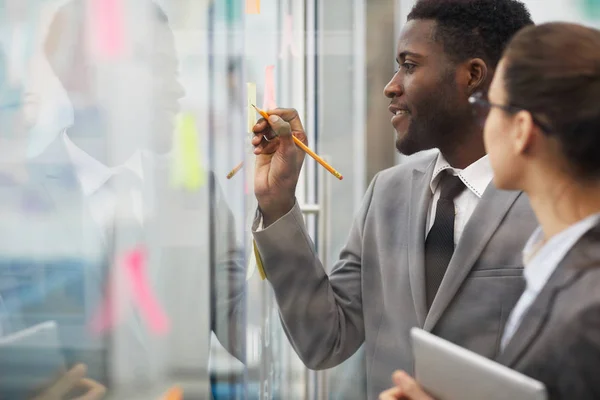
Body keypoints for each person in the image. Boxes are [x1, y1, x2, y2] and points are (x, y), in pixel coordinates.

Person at [251, 0, 535, 398]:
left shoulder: (544, 200)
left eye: (410, 65)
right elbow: (324, 339)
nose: (391, 85)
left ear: (472, 75)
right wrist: (277, 201)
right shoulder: (386, 194)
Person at [0, 0, 246, 398]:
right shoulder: (13, 198)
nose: (177, 87)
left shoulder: (199, 196)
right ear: (98, 77)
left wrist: (277, 209)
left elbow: (251, 332)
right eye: (162, 68)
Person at [379, 22, 600, 400]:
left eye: (488, 106)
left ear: (521, 130)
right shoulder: (556, 266)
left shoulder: (587, 309)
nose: (482, 121)